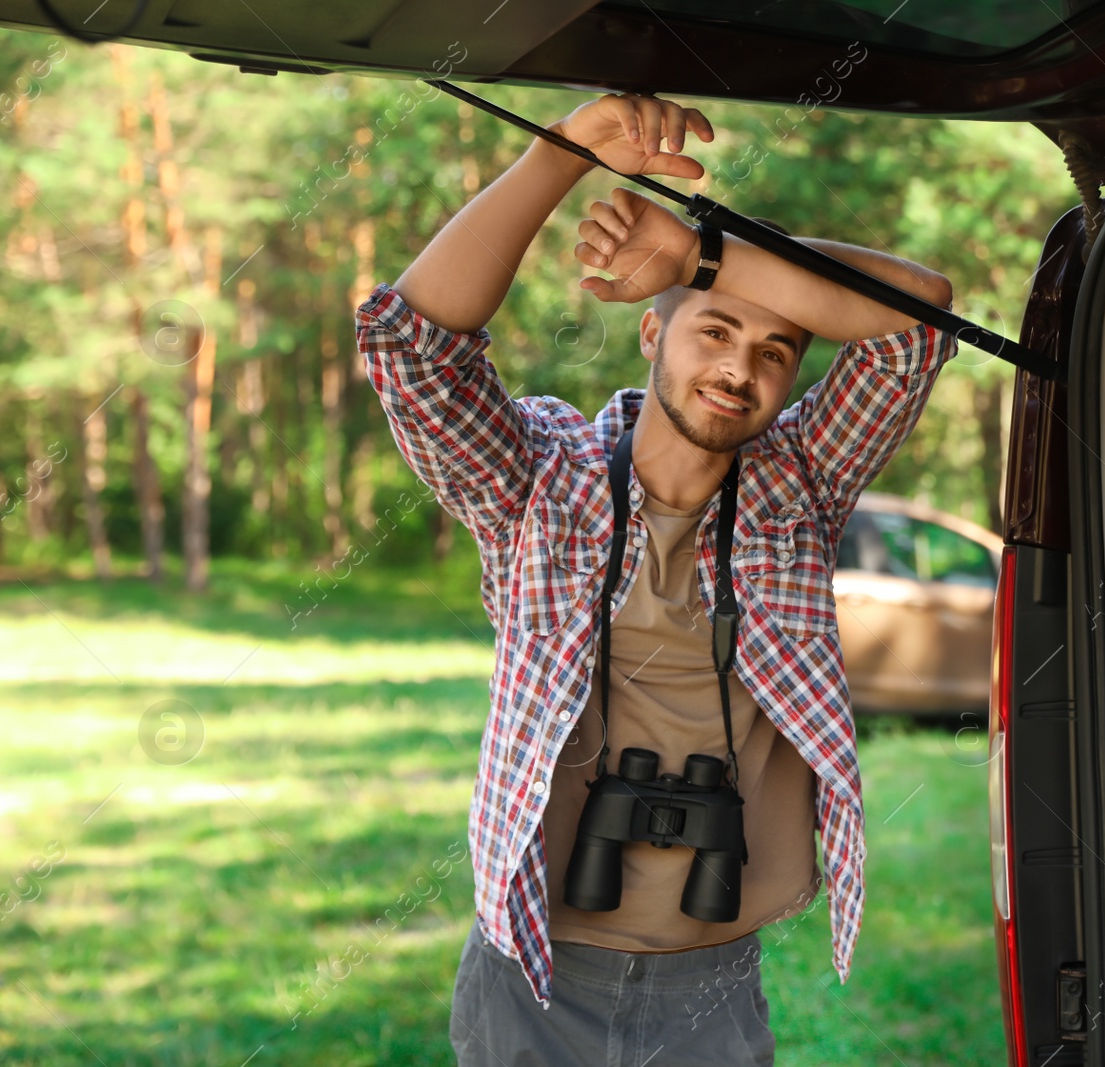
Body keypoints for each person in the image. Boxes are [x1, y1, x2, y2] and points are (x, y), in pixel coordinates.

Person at [355, 91, 957, 1066]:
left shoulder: (798, 487)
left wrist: (699, 259)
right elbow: (411, 344)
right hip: (536, 968)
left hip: (712, 978)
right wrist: (564, 154)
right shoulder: (538, 483)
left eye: (775, 349)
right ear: (650, 334)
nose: (739, 369)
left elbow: (919, 319)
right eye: (713, 330)